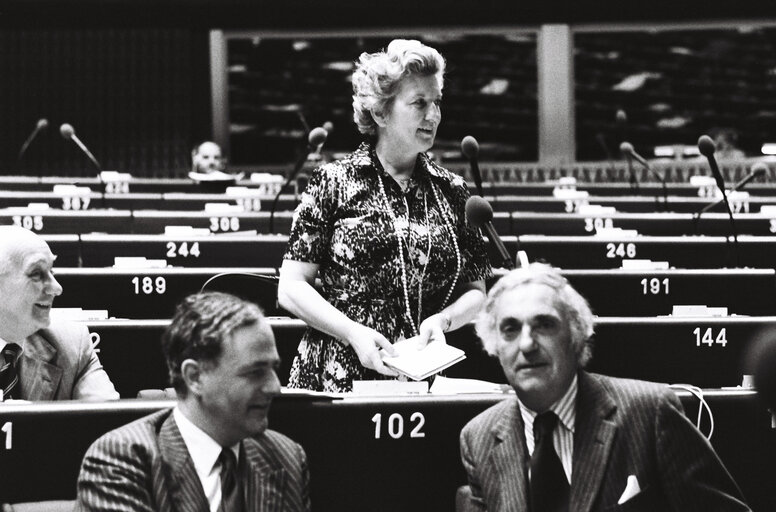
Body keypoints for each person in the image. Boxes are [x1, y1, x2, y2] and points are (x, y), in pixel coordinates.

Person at [277, 39, 492, 392]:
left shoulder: (453, 190)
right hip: (338, 372)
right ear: (380, 113)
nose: (433, 115)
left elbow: (477, 291)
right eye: (419, 103)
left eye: (436, 102)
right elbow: (292, 287)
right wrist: (352, 333)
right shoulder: (334, 181)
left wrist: (445, 320)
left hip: (425, 377)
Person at [459, 263, 751, 511]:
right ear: (493, 346)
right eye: (510, 329)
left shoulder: (651, 413)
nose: (526, 344)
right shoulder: (479, 438)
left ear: (577, 336)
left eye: (544, 325)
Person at [76, 292, 310, 511]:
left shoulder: (285, 456)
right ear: (195, 377)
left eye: (273, 369)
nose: (275, 387)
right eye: (255, 372)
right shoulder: (120, 462)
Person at [0, 226, 118, 401]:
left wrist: (27, 423)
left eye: (51, 271)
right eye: (37, 274)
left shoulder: (72, 344)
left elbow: (107, 421)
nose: (57, 288)